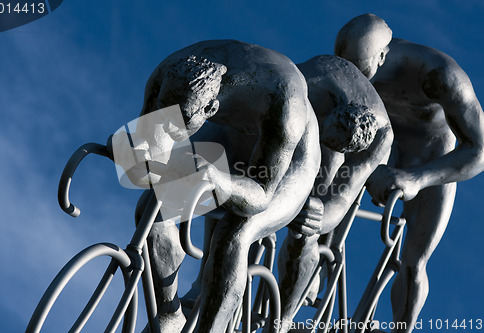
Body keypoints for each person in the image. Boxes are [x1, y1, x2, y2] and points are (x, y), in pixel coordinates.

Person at [129, 39, 321, 333]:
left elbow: (260, 196)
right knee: (151, 210)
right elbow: (144, 153)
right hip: (229, 135)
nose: (170, 131)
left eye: (178, 124)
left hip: (288, 164)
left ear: (211, 106)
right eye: (166, 118)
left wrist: (220, 182)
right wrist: (133, 154)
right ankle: (168, 313)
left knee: (234, 235)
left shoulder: (284, 101)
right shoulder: (167, 71)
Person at [335, 14, 484, 332]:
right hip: (375, 138)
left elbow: (479, 151)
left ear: (382, 56)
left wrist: (417, 179)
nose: (357, 80)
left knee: (414, 262)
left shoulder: (439, 74)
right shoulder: (344, 64)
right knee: (321, 210)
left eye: (364, 72)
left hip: (429, 153)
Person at [276, 55, 393, 333]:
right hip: (288, 108)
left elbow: (340, 199)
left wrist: (318, 218)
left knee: (309, 223)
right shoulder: (302, 83)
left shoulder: (378, 139)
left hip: (332, 134)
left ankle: (282, 319)